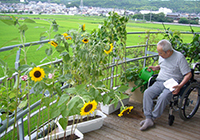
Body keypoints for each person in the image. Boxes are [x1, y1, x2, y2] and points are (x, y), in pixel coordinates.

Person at [140, 39, 192, 131]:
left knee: (163, 97)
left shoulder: (179, 57)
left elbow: (188, 74)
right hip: (160, 81)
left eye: (160, 53)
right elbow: (163, 65)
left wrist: (180, 86)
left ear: (168, 51)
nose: (159, 54)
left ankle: (153, 118)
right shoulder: (163, 56)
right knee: (147, 93)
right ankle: (148, 117)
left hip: (172, 83)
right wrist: (156, 67)